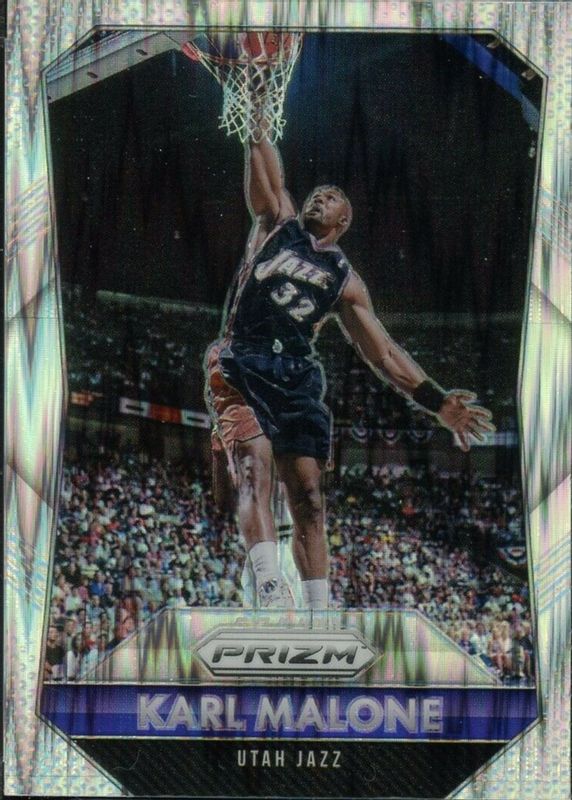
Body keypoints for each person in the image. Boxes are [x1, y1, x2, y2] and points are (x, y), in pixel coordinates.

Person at [204, 101, 495, 610]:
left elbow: (383, 353)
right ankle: (269, 586)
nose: (320, 197)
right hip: (242, 360)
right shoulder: (278, 223)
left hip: (296, 376)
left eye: (332, 197)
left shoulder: (345, 280)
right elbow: (266, 173)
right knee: (253, 467)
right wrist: (255, 120)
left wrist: (437, 401)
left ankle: (319, 612)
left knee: (310, 499)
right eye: (317, 193)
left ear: (344, 220)